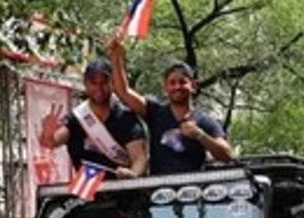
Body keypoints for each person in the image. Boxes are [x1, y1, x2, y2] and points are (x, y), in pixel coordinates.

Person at [106, 37, 233, 174]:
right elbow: (123, 92)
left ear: (193, 86)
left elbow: (227, 156)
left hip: (193, 189)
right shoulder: (155, 112)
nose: (177, 86)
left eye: (182, 82)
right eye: (172, 83)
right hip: (160, 190)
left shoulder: (205, 121)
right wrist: (115, 58)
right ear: (165, 88)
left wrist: (200, 135)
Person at [37, 57, 148, 178]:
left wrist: (132, 174)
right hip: (86, 191)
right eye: (93, 82)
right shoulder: (77, 117)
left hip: (122, 190)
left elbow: (139, 158)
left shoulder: (126, 118)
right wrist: (47, 132)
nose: (99, 88)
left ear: (112, 84)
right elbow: (50, 142)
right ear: (85, 84)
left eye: (104, 82)